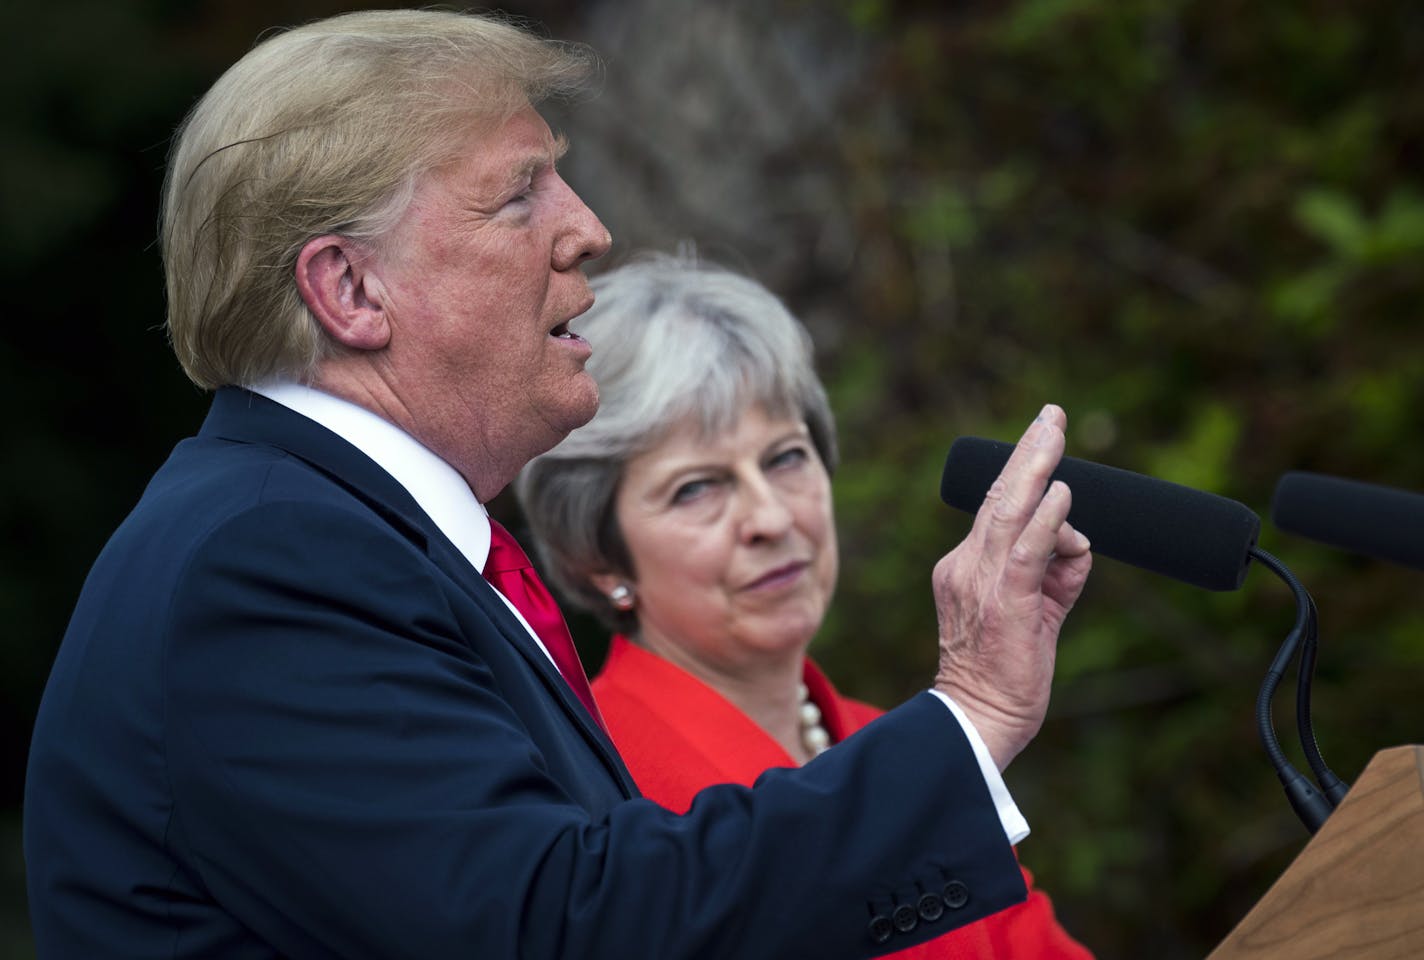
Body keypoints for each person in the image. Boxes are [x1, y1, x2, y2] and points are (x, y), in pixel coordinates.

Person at [24, 10, 1093, 960]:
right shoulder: (267, 559)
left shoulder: (345, 534)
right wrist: (973, 712)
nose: (587, 228)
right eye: (519, 192)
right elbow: (562, 925)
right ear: (349, 288)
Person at [516, 254, 1094, 958]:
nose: (769, 518)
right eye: (696, 489)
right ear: (595, 557)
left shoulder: (886, 741)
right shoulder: (594, 787)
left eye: (785, 458)